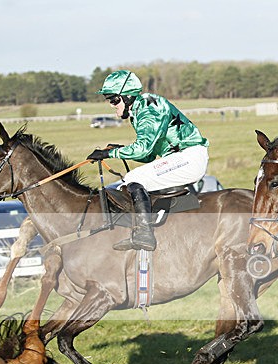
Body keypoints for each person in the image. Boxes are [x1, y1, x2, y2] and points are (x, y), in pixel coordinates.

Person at [86, 70, 209, 251]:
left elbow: (143, 148)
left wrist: (110, 154)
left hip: (189, 157)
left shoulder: (150, 107)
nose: (112, 105)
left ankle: (144, 234)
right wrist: (118, 150)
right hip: (180, 157)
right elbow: (148, 156)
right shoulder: (138, 111)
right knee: (123, 184)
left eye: (114, 100)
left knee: (134, 178)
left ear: (127, 96)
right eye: (109, 100)